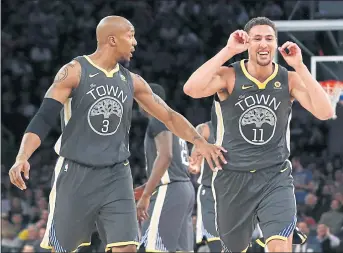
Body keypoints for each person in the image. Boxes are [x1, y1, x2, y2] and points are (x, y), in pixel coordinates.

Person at [8, 16, 226, 253]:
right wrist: (22, 156)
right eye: (130, 35)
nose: (135, 42)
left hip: (117, 174)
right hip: (75, 172)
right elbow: (44, 117)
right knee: (63, 248)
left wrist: (200, 142)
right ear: (112, 39)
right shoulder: (74, 71)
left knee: (127, 247)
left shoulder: (132, 81)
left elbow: (169, 116)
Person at [184, 16, 333, 252]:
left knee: (279, 246)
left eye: (269, 38)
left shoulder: (289, 78)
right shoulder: (229, 75)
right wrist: (228, 50)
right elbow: (191, 89)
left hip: (275, 175)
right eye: (257, 39)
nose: (263, 44)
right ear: (247, 43)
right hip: (232, 176)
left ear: (276, 44)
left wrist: (300, 66)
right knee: (235, 248)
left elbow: (325, 112)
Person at [136, 83, 195, 252]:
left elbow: (166, 155)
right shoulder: (174, 120)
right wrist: (143, 190)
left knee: (153, 247)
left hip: (170, 189)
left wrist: (146, 195)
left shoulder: (158, 119)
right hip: (184, 188)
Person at [189, 107, 221, 252]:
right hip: (210, 192)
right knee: (215, 242)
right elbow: (194, 163)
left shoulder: (241, 129)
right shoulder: (206, 128)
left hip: (235, 192)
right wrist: (196, 157)